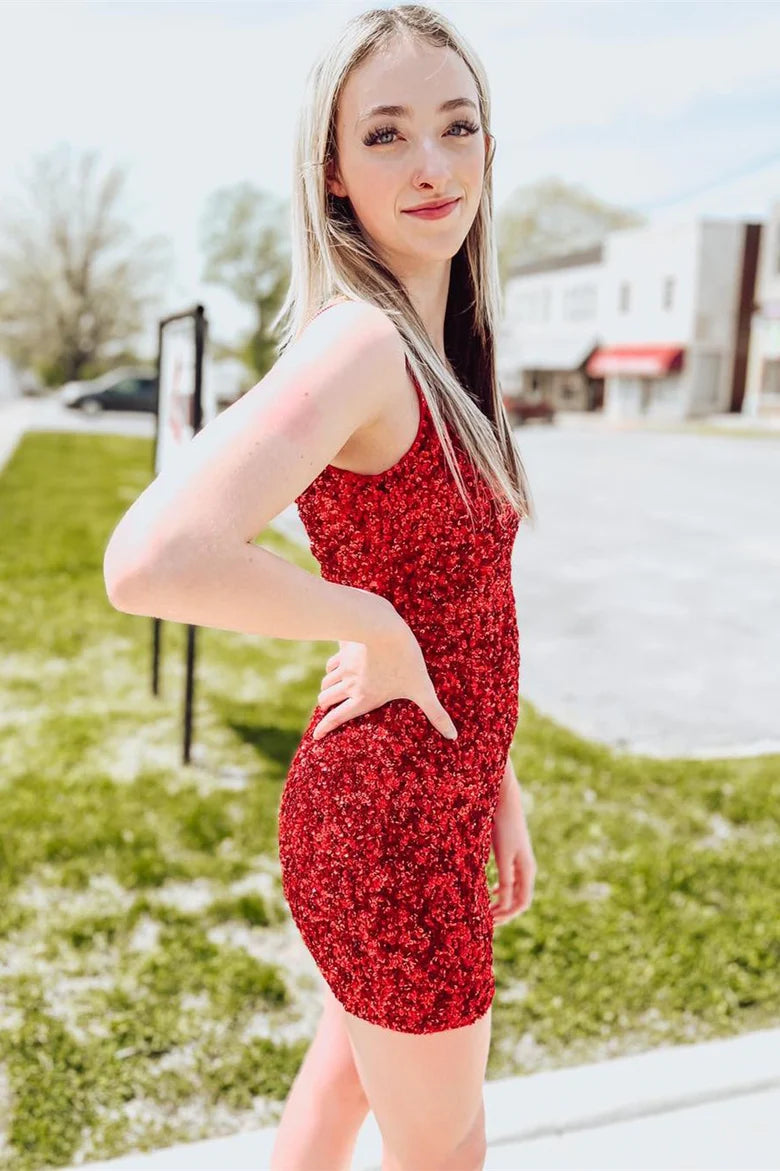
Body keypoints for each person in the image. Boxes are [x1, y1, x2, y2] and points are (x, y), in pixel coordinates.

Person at [103, 5, 538, 1169]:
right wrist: (369, 623)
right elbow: (150, 556)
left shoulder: (448, 349)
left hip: (432, 792)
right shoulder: (362, 346)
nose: (435, 164)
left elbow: (467, 602)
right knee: (445, 1147)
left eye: (459, 125)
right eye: (387, 135)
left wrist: (494, 774)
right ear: (335, 174)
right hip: (385, 822)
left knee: (344, 1085)